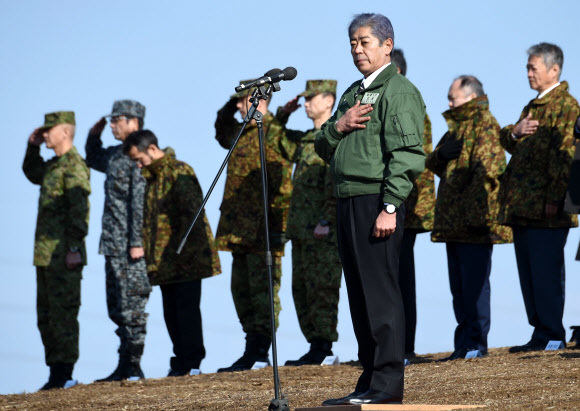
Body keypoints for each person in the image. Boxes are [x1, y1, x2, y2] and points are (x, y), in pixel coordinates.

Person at [315, 13, 426, 405]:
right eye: (352, 43)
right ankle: (368, 377)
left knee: (381, 294)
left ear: (387, 45)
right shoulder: (351, 94)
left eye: (364, 42)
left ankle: (387, 384)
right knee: (359, 296)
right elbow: (322, 146)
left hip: (375, 201)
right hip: (346, 200)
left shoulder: (398, 90)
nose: (357, 49)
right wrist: (339, 125)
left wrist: (390, 206)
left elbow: (409, 155)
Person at [498, 43, 580, 353]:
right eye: (528, 68)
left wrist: (555, 198)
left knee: (547, 273)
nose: (529, 73)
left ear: (554, 69)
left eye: (534, 67)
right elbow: (511, 142)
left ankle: (553, 333)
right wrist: (515, 132)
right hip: (522, 206)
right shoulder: (533, 107)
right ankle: (540, 333)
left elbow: (565, 156)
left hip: (548, 208)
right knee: (529, 274)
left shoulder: (567, 107)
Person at [426, 75, 512, 361]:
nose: (449, 103)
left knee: (475, 286)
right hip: (454, 222)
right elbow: (434, 163)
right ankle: (463, 344)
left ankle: (476, 343)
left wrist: (477, 214)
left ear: (471, 97)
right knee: (459, 288)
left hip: (475, 222)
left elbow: (490, 172)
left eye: (453, 98)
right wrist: (440, 155)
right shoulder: (457, 128)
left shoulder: (485, 124)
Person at [123, 130, 221, 376]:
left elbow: (193, 215)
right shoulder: (152, 178)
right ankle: (180, 361)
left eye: (139, 159)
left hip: (185, 258)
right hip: (164, 262)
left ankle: (192, 362)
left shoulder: (178, 171)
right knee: (171, 314)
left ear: (152, 149)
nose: (138, 164)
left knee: (186, 311)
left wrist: (187, 252)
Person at [214, 82, 294, 372]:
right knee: (242, 290)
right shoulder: (241, 131)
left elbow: (285, 178)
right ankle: (251, 345)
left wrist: (279, 227)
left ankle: (260, 349)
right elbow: (221, 130)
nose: (238, 107)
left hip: (264, 227)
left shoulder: (272, 132)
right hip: (238, 228)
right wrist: (231, 101)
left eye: (242, 101)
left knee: (263, 291)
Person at [276, 79, 343, 366]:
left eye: (311, 99)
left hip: (323, 230)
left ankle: (323, 346)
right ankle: (313, 344)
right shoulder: (306, 140)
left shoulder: (338, 134)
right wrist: (282, 114)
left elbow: (337, 179)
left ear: (329, 101)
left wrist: (326, 219)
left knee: (322, 288)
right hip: (301, 229)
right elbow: (273, 139)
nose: (305, 104)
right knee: (301, 289)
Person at [22, 111, 91, 390]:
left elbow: (80, 211)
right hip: (45, 254)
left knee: (63, 313)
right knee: (47, 314)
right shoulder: (53, 166)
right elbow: (31, 172)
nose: (45, 134)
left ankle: (64, 372)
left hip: (65, 255)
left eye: (49, 130)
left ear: (65, 132)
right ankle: (54, 372)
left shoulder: (74, 166)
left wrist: (74, 247)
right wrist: (32, 146)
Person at [85, 100, 151, 381]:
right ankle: (124, 365)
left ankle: (133, 366)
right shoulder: (115, 155)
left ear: (134, 122)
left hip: (130, 247)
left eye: (117, 120)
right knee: (117, 307)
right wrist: (93, 134)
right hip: (112, 245)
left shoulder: (141, 155)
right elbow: (92, 158)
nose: (112, 124)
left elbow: (139, 202)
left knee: (133, 306)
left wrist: (136, 241)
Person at [390, 48, 436, 359]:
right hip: (385, 206)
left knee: (402, 279)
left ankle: (405, 347)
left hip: (405, 208)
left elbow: (416, 163)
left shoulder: (410, 106)